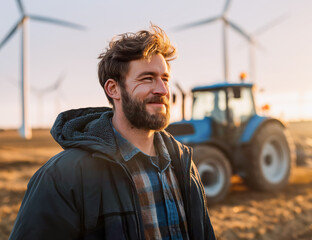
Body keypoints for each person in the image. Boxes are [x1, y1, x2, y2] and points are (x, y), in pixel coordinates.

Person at [9, 24, 215, 240]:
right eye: (147, 78)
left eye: (164, 79)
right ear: (113, 89)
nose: (162, 90)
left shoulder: (183, 162)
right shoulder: (62, 176)